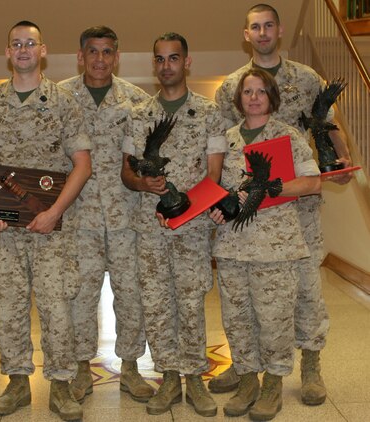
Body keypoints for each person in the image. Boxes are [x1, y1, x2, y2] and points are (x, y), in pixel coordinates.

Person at [212, 3, 353, 406]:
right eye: (254, 27)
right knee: (245, 296)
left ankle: (310, 363)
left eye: (268, 25)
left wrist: (337, 163)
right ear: (246, 34)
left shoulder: (305, 79)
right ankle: (245, 367)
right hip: (246, 212)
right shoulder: (231, 84)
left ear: (280, 29)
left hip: (295, 205)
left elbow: (324, 123)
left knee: (305, 287)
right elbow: (221, 137)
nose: (262, 33)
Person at [0, 21, 92, 421]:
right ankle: (18, 383)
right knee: (7, 307)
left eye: (30, 44)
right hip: (5, 232)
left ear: (43, 51)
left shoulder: (63, 102)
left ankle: (60, 385)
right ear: (8, 52)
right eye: (16, 44)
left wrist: (54, 211)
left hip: (53, 231)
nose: (23, 50)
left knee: (58, 308)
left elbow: (82, 165)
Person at [121, 32, 227, 417]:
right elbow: (126, 173)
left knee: (190, 301)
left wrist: (186, 211)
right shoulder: (139, 116)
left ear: (187, 62)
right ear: (155, 65)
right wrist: (143, 183)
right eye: (161, 59)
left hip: (193, 229)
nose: (167, 66)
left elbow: (213, 177)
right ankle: (168, 377)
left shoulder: (209, 113)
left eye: (174, 58)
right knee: (157, 303)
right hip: (150, 229)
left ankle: (195, 378)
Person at [211, 68, 322, 421]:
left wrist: (275, 188)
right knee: (237, 318)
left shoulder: (286, 137)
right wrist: (219, 208)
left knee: (274, 318)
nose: (254, 97)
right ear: (239, 98)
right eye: (247, 92)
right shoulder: (225, 139)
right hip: (232, 246)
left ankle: (273, 383)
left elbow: (312, 183)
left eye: (261, 91)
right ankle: (247, 381)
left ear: (271, 97)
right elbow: (219, 187)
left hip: (275, 247)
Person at [57, 26, 154, 404]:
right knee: (80, 295)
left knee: (131, 294)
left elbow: (146, 160)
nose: (100, 59)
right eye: (92, 52)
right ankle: (82, 368)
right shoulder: (60, 98)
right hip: (78, 220)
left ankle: (130, 367)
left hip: (126, 218)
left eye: (107, 52)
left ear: (117, 57)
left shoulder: (137, 102)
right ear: (80, 56)